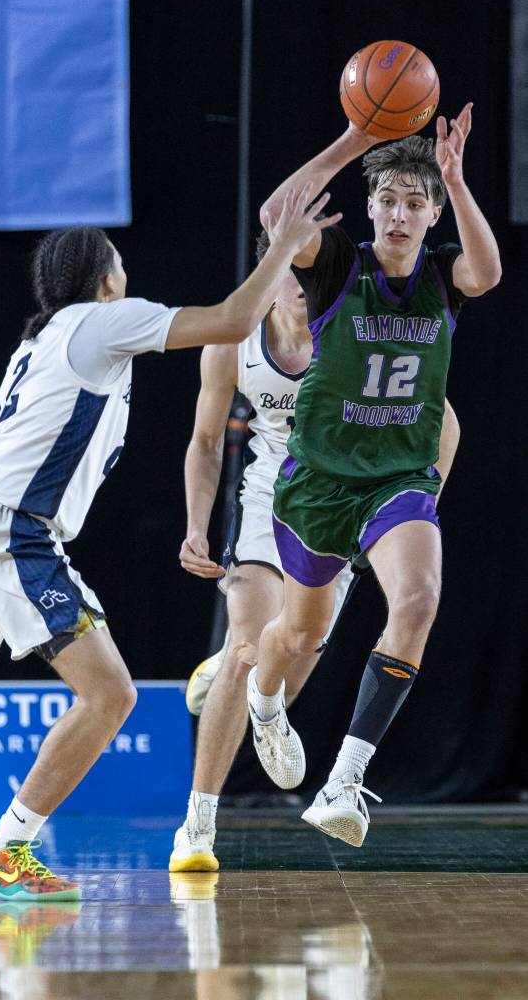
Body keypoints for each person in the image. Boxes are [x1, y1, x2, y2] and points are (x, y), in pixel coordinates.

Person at [0, 186, 341, 900]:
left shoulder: (43, 338)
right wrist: (285, 246)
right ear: (104, 276)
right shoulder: (103, 320)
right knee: (109, 694)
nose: (128, 275)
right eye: (120, 263)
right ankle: (6, 849)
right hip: (13, 527)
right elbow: (233, 320)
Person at [245, 105, 500, 848]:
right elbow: (274, 216)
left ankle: (344, 781)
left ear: (430, 214)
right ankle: (264, 701)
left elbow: (485, 273)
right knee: (298, 635)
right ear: (369, 206)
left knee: (418, 597)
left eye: (414, 202)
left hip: (398, 478)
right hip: (319, 482)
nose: (397, 213)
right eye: (386, 199)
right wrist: (357, 138)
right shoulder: (336, 267)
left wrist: (454, 176)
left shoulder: (442, 274)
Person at [169, 233, 461, 871]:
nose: (303, 286)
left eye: (310, 274)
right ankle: (196, 827)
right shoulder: (234, 340)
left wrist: (418, 493)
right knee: (251, 639)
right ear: (268, 277)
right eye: (290, 275)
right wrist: (196, 525)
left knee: (299, 644)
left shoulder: (353, 322)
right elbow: (205, 439)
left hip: (346, 490)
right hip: (270, 493)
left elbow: (440, 417)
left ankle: (264, 702)